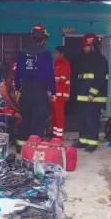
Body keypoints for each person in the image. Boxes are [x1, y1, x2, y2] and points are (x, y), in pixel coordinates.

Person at [15, 23, 56, 151]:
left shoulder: (22, 52)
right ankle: (33, 148)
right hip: (40, 91)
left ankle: (20, 146)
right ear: (43, 39)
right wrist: (53, 92)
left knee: (25, 119)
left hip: (26, 90)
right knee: (38, 120)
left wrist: (17, 89)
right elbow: (50, 74)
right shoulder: (45, 53)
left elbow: (18, 73)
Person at [72, 33, 108, 153]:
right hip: (83, 96)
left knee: (92, 120)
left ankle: (92, 142)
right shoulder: (85, 59)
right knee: (83, 119)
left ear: (92, 45)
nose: (84, 48)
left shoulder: (100, 60)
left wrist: (92, 94)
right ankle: (83, 140)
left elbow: (99, 78)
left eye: (86, 46)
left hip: (94, 97)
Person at [51, 46, 71, 138]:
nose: (55, 54)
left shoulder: (65, 64)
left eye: (56, 53)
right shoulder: (55, 63)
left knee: (59, 115)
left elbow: (62, 79)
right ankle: (54, 134)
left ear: (61, 54)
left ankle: (59, 136)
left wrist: (51, 79)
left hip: (61, 94)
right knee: (54, 115)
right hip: (55, 94)